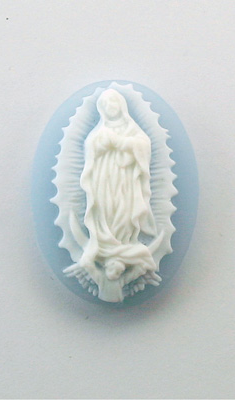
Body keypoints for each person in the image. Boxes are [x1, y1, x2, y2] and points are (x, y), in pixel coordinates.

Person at [75, 89, 158, 301]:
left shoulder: (133, 129)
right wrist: (103, 144)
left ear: (121, 105)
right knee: (106, 210)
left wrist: (121, 143)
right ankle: (105, 244)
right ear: (102, 109)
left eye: (114, 102)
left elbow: (143, 145)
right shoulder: (99, 132)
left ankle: (124, 243)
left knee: (125, 212)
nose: (111, 107)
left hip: (126, 181)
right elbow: (91, 149)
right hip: (104, 180)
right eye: (106, 104)